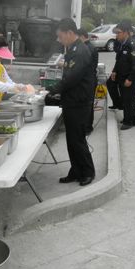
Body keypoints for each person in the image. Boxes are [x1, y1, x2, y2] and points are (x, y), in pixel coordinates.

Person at [47, 18, 96, 186]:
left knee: (78, 139)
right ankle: (76, 170)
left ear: (69, 33)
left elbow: (72, 78)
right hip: (71, 100)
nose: (59, 40)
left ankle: (88, 171)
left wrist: (51, 90)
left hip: (79, 102)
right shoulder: (72, 49)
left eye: (60, 36)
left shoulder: (80, 51)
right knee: (72, 139)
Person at [106, 20, 135, 130]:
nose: (116, 35)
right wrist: (114, 71)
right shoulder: (123, 44)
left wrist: (130, 79)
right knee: (127, 99)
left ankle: (128, 122)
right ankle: (134, 119)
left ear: (126, 32)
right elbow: (119, 60)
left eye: (119, 32)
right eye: (116, 33)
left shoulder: (132, 45)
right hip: (122, 76)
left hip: (129, 78)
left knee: (128, 100)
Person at [77, 28, 99, 135]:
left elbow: (84, 66)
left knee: (87, 104)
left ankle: (87, 127)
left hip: (88, 80)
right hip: (89, 79)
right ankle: (87, 126)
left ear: (81, 36)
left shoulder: (87, 48)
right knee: (87, 104)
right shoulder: (88, 46)